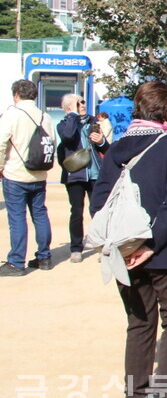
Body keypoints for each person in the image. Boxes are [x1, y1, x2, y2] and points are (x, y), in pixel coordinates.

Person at [90, 81, 167, 398]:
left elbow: (100, 203)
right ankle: (162, 396)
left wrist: (125, 244)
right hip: (164, 249)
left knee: (139, 322)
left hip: (123, 251)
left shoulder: (118, 147)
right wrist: (150, 245)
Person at [0, 79, 55, 275]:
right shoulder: (45, 116)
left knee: (17, 218)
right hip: (39, 175)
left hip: (16, 173)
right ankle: (44, 257)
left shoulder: (11, 114)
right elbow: (52, 142)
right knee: (40, 214)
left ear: (16, 95)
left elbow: (1, 144)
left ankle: (16, 262)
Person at [57, 94, 110, 263]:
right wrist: (72, 115)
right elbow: (68, 137)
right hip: (75, 174)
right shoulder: (64, 124)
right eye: (77, 103)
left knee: (98, 210)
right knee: (76, 211)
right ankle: (76, 248)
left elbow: (105, 148)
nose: (82, 105)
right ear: (68, 108)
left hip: (95, 172)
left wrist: (101, 141)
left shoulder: (93, 122)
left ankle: (102, 246)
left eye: (82, 102)